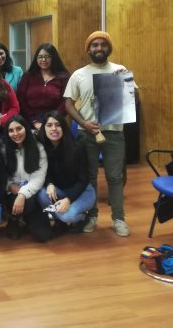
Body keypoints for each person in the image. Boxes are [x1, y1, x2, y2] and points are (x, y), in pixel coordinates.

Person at [64, 31, 133, 237]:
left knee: (115, 176)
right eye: (95, 45)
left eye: (103, 45)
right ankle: (91, 216)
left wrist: (124, 88)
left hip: (113, 134)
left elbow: (130, 98)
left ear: (109, 48)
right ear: (88, 49)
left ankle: (119, 219)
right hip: (87, 135)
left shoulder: (120, 70)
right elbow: (68, 104)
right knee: (90, 176)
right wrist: (83, 123)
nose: (99, 48)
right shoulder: (78, 74)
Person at [37, 111, 96, 234]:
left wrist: (68, 200)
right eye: (49, 125)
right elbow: (44, 173)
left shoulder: (77, 148)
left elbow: (83, 180)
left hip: (82, 191)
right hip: (60, 190)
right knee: (42, 194)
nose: (54, 128)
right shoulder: (42, 149)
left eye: (58, 125)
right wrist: (49, 184)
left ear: (63, 127)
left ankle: (81, 219)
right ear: (44, 128)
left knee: (67, 216)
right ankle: (61, 221)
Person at [1, 115, 51, 242]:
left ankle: (26, 217)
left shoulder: (38, 148)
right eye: (11, 130)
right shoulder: (2, 148)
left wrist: (22, 194)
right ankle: (14, 219)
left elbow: (39, 177)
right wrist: (9, 185)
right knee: (26, 203)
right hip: (10, 192)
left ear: (26, 129)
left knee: (43, 236)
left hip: (32, 192)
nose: (15, 133)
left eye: (19, 128)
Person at [16, 43, 70, 130]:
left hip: (55, 121)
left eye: (47, 56)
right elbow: (20, 99)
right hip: (29, 120)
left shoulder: (63, 77)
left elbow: (65, 102)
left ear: (53, 58)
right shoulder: (28, 76)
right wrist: (33, 121)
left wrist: (52, 120)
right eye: (40, 57)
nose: (43, 59)